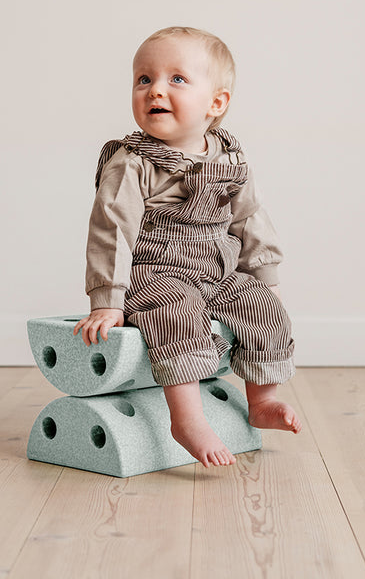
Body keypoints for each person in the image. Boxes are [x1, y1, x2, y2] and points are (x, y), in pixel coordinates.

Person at [74, 26, 300, 468]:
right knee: (176, 312)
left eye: (176, 79)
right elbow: (110, 231)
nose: (155, 89)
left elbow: (250, 218)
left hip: (217, 269)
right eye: (144, 79)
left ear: (216, 103)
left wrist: (264, 276)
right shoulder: (132, 163)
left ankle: (262, 400)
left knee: (264, 309)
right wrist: (107, 301)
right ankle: (187, 419)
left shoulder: (229, 159)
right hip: (154, 272)